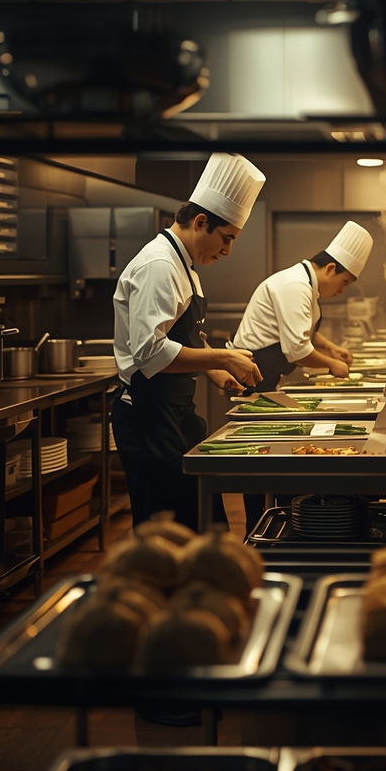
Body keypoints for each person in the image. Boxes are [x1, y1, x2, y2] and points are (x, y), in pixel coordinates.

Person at [111, 153, 266, 532]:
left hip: (175, 412)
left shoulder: (185, 267)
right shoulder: (160, 266)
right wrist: (225, 358)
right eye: (226, 239)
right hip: (149, 418)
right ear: (201, 222)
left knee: (203, 521)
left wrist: (214, 371)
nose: (228, 250)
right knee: (168, 533)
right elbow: (149, 353)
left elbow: (181, 339)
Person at [228, 220, 374, 533]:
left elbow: (306, 334)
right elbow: (296, 349)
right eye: (345, 283)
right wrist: (333, 366)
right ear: (331, 269)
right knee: (260, 463)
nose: (342, 291)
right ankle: (262, 530)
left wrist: (332, 348)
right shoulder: (294, 286)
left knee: (277, 459)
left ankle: (285, 521)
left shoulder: (305, 284)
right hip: (256, 378)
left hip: (270, 376)